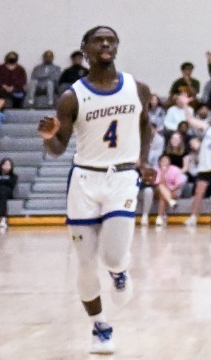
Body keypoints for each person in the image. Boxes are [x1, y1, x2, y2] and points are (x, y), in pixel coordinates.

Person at [37, 25, 154, 355]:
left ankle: (118, 271)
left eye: (111, 39)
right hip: (85, 181)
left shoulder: (137, 88)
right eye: (98, 40)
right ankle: (100, 326)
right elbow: (59, 147)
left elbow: (147, 126)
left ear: (117, 47)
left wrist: (143, 161)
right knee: (86, 263)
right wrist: (49, 136)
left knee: (113, 256)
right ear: (84, 49)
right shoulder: (71, 96)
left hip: (121, 179)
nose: (106, 43)